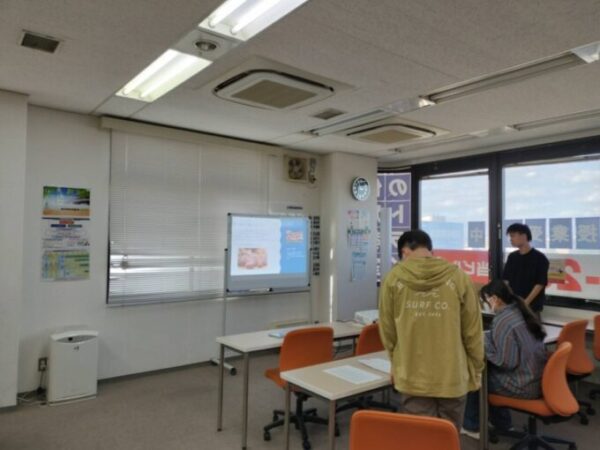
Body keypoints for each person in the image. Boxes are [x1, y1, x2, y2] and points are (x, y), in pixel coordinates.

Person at [378, 229, 485, 430]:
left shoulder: (392, 279)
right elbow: (472, 330)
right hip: (452, 374)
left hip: (411, 372)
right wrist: (477, 367)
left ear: (404, 251)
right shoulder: (459, 277)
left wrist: (395, 362)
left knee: (421, 436)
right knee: (449, 435)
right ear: (430, 249)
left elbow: (387, 330)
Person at [462, 279, 548, 439]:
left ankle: (471, 426)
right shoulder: (520, 311)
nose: (485, 305)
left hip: (523, 385)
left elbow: (506, 363)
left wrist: (483, 343)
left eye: (485, 301)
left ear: (495, 298)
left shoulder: (503, 321)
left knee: (477, 377)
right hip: (537, 380)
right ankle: (503, 424)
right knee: (490, 373)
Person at [503, 223, 549, 315]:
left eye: (513, 236)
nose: (511, 239)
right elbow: (506, 280)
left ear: (524, 236)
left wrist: (525, 303)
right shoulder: (512, 257)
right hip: (513, 305)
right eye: (510, 236)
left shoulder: (540, 258)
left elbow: (540, 284)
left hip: (532, 307)